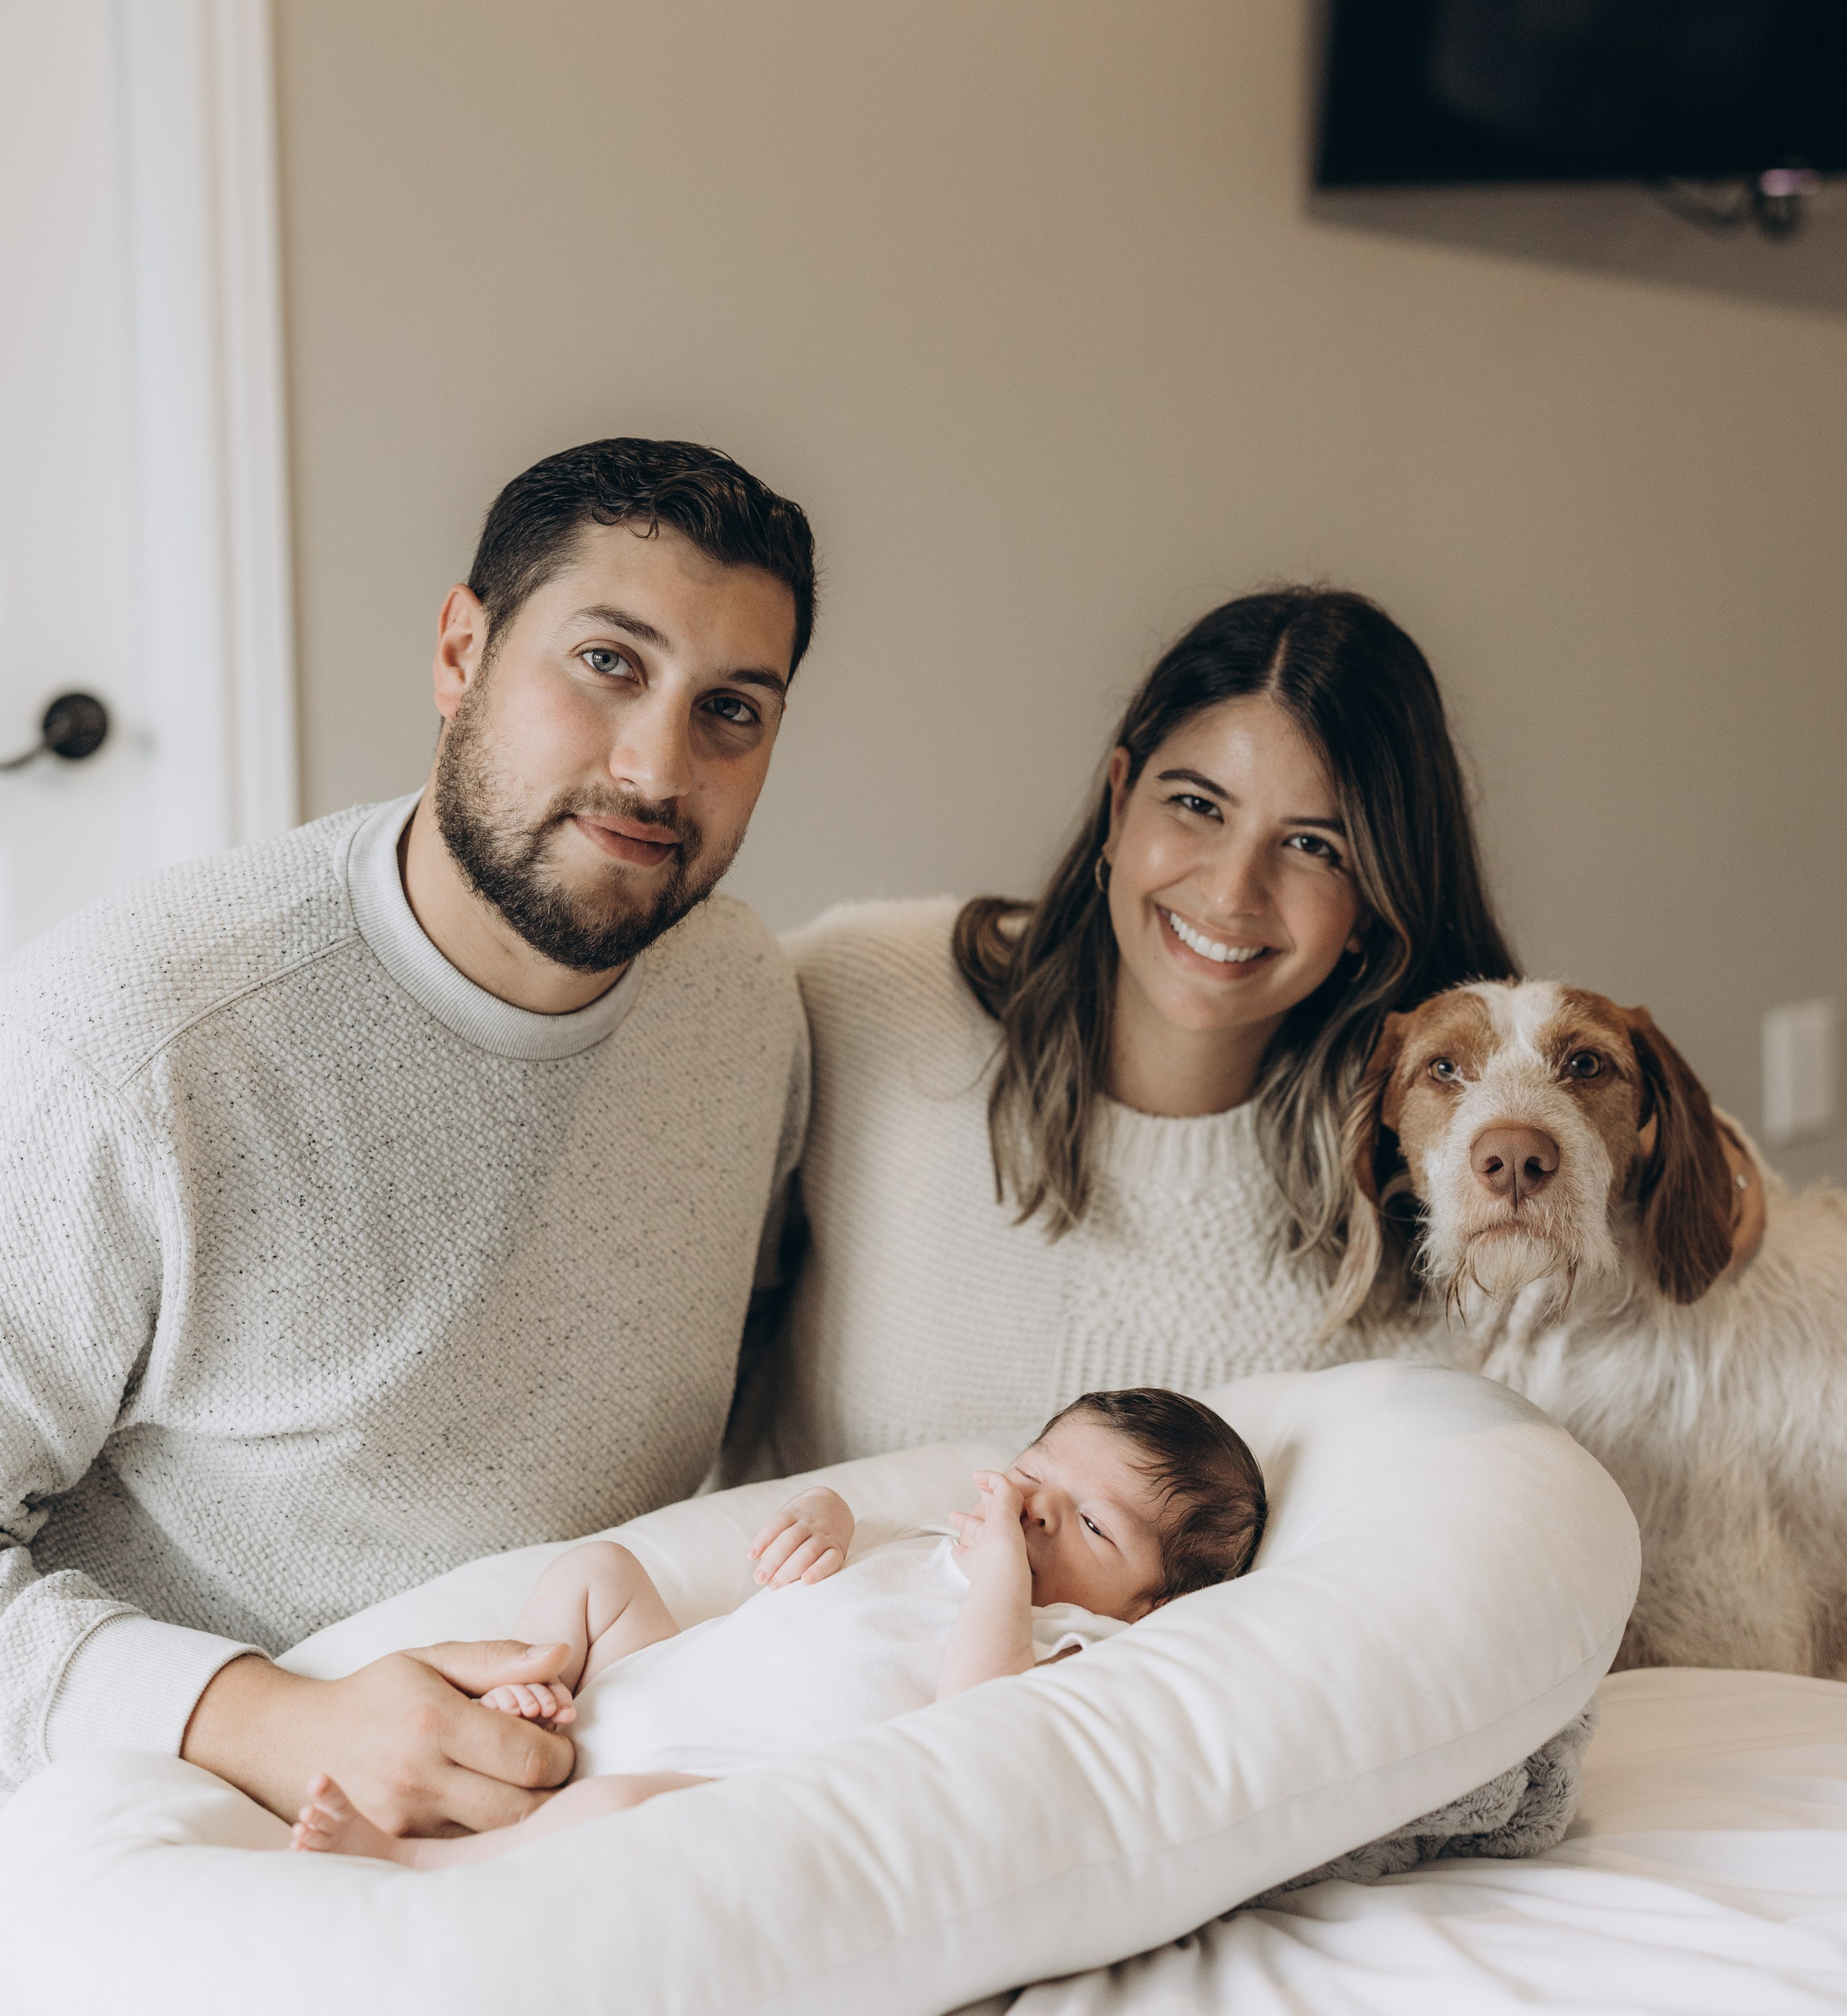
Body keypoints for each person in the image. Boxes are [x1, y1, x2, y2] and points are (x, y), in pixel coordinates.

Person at [0, 437, 815, 1838]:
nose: (656, 767)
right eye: (608, 664)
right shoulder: (135, 1040)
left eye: (730, 710)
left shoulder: (741, 1005)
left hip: (586, 1786)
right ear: (460, 652)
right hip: (196, 1814)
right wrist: (277, 1721)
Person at [742, 587, 1518, 1473]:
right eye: (1197, 804)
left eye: (1314, 847)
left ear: (1377, 903)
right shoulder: (866, 998)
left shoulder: (1435, 1188)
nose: (1231, 892)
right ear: (1120, 803)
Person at [288, 1388, 1267, 1869]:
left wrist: (1006, 1577)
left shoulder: (1058, 1638)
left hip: (704, 1776)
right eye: (1039, 1470)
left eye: (1093, 1525)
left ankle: (423, 1863)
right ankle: (531, 1689)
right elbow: (858, 1539)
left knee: (625, 1805)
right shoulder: (948, 1543)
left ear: (1151, 1605)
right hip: (648, 1682)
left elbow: (974, 1714)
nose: (1038, 1510)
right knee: (600, 1574)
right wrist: (828, 1518)